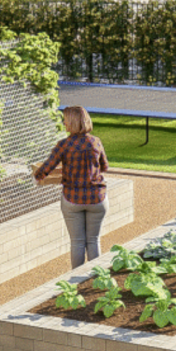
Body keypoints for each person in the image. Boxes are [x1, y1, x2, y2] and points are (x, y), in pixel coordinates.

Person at [33, 105, 109, 268]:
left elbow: (46, 168)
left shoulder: (64, 145)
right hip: (97, 199)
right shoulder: (96, 142)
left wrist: (38, 176)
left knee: (77, 242)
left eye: (66, 120)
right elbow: (104, 166)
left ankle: (76, 282)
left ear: (72, 123)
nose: (64, 123)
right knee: (93, 240)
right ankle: (96, 278)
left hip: (72, 200)